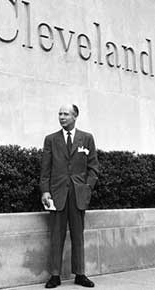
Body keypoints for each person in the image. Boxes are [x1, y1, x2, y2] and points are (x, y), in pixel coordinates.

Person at [40, 104, 99, 288]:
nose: (62, 117)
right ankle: (55, 275)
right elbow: (45, 169)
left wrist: (87, 187)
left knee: (77, 235)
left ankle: (80, 274)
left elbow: (93, 168)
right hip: (57, 194)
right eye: (60, 113)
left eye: (66, 114)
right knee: (56, 236)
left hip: (78, 194)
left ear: (75, 116)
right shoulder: (50, 140)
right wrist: (45, 191)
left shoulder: (87, 138)